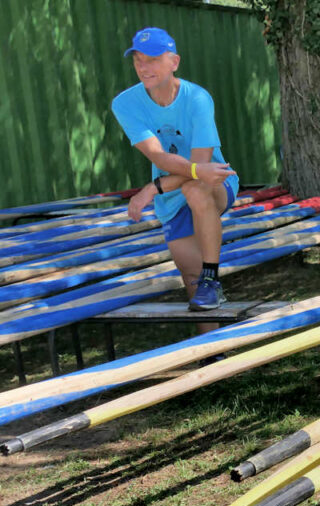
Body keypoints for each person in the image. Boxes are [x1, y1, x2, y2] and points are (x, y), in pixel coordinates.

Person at [112, 27, 238, 317]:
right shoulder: (125, 103)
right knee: (192, 282)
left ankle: (212, 277)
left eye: (153, 59)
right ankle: (211, 354)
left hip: (215, 182)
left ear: (174, 62)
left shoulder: (197, 98)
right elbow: (158, 155)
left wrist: (153, 188)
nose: (144, 67)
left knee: (196, 189)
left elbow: (204, 167)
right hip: (172, 195)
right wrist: (162, 188)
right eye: (138, 60)